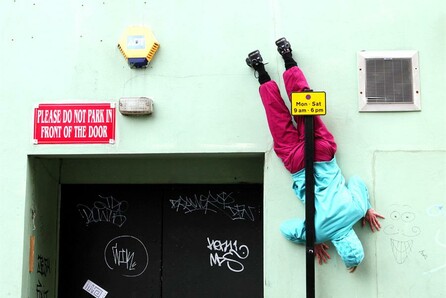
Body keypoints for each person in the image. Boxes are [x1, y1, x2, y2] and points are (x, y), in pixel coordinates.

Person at [246, 38, 384, 273]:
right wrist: (313, 239)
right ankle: (260, 69)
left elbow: (358, 182)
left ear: (356, 241)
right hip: (297, 164)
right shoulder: (319, 231)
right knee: (277, 118)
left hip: (322, 154)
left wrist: (368, 208)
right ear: (340, 250)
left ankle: (287, 56)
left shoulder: (356, 210)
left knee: (305, 102)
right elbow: (287, 229)